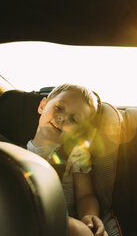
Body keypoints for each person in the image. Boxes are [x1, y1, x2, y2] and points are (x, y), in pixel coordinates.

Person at [26, 84, 107, 236]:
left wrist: (89, 216)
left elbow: (85, 195)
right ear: (43, 106)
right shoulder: (16, 152)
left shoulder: (76, 155)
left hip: (62, 225)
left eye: (74, 120)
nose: (62, 118)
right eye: (59, 108)